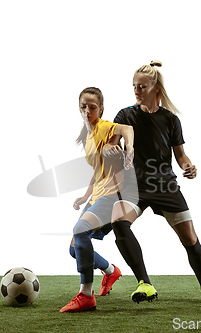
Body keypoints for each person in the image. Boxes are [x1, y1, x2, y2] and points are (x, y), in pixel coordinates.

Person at [107, 61, 201, 304]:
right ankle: (144, 283)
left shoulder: (170, 120)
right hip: (134, 186)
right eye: (134, 86)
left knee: (190, 239)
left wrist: (189, 166)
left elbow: (180, 156)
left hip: (164, 186)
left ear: (156, 88)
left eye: (142, 86)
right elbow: (110, 143)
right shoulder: (125, 115)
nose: (136, 91)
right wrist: (112, 149)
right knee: (119, 220)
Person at [60, 87, 135, 313]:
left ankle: (86, 295)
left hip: (113, 195)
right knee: (75, 248)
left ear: (100, 109)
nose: (87, 110)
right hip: (97, 195)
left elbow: (127, 128)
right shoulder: (88, 136)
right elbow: (98, 171)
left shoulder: (103, 127)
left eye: (92, 107)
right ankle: (111, 271)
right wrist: (85, 196)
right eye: (83, 106)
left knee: (80, 231)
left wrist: (129, 148)